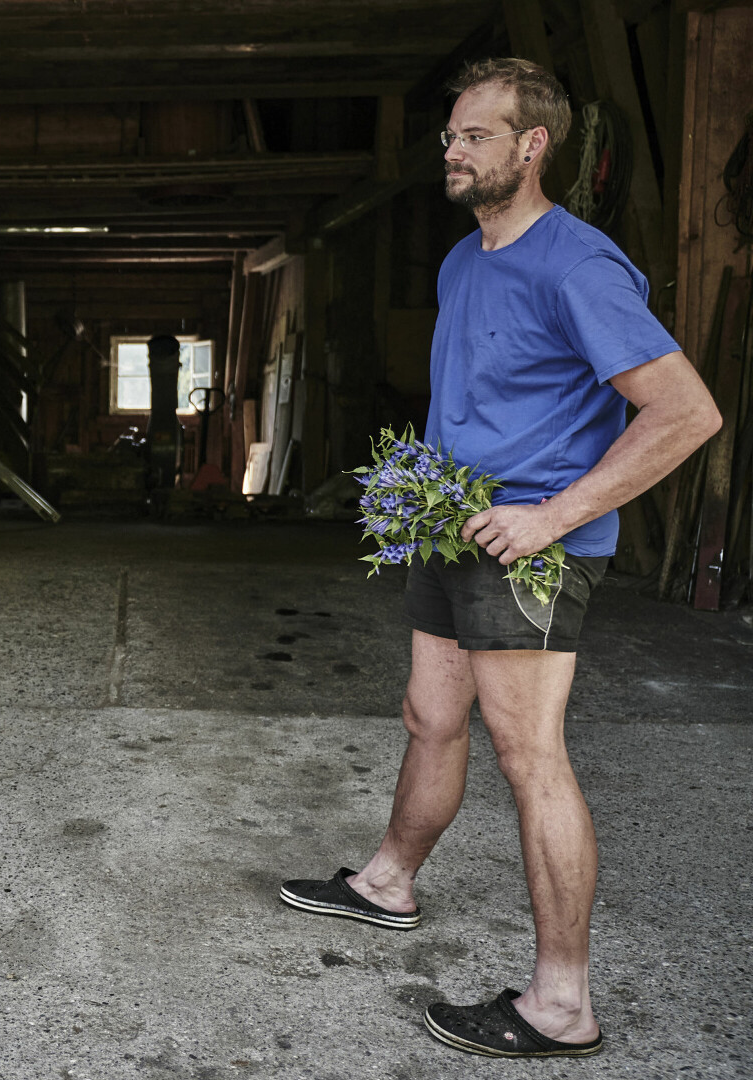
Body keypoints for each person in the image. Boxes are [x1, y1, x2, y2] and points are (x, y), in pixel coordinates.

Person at [279, 58, 720, 1060]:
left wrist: (550, 517)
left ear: (533, 147)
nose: (453, 149)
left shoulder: (580, 266)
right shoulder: (464, 259)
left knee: (532, 759)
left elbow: (689, 413)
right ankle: (387, 883)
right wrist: (420, 489)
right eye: (450, 134)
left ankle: (563, 1002)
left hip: (531, 548)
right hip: (456, 526)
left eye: (475, 135)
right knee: (431, 714)